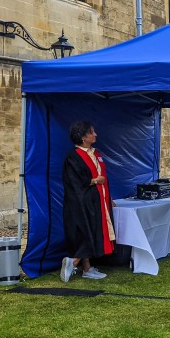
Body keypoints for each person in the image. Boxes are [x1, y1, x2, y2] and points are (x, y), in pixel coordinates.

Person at [60, 121, 114, 282]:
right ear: (83, 137)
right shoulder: (74, 157)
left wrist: (107, 197)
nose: (95, 134)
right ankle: (73, 261)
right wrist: (95, 181)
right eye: (92, 132)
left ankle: (87, 268)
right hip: (82, 202)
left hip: (97, 200)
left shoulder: (95, 153)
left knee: (92, 232)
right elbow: (73, 181)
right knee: (88, 233)